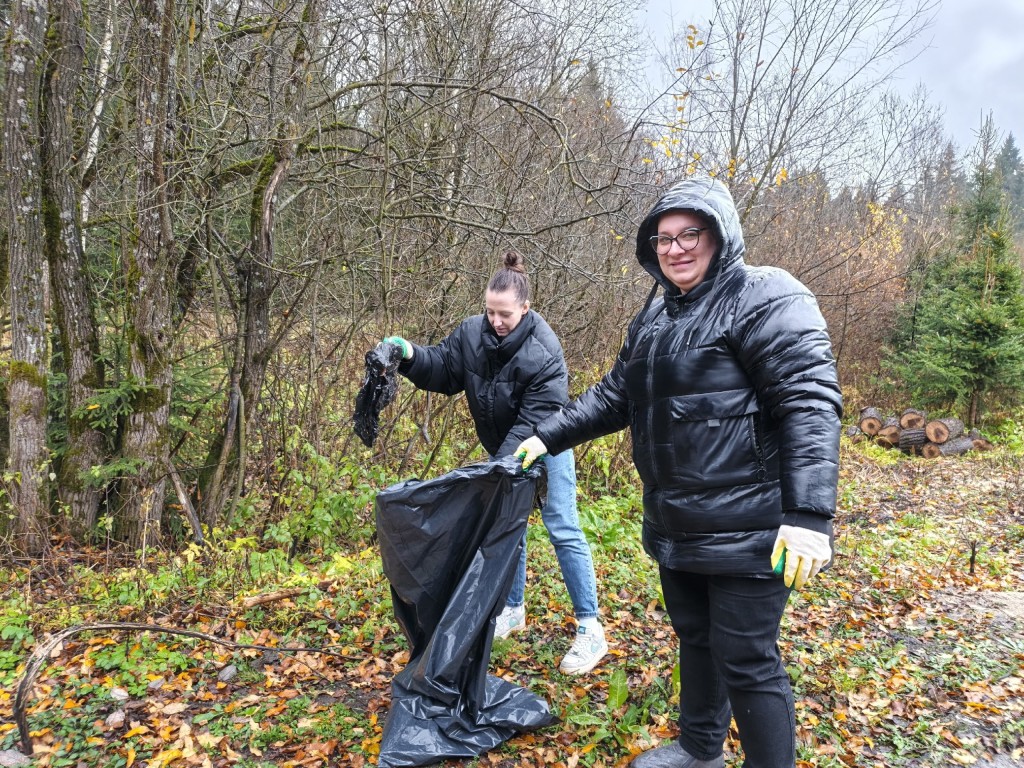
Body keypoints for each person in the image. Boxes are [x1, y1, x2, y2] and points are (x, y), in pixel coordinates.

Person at [514, 177, 842, 768]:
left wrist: (808, 514)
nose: (676, 248)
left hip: (754, 527)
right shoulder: (656, 314)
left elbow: (809, 402)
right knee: (696, 638)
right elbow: (616, 394)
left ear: (721, 235)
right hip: (679, 524)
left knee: (747, 658)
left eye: (691, 233)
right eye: (663, 239)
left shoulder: (766, 297)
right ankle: (699, 750)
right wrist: (547, 435)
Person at [382, 251, 608, 676]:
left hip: (548, 442)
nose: (496, 321)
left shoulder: (545, 351)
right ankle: (513, 609)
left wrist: (499, 469)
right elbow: (444, 370)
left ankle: (590, 627)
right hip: (503, 447)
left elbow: (535, 420)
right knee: (509, 525)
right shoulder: (471, 333)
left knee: (562, 527)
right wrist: (409, 353)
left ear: (525, 308)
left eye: (504, 314)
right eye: (490, 311)